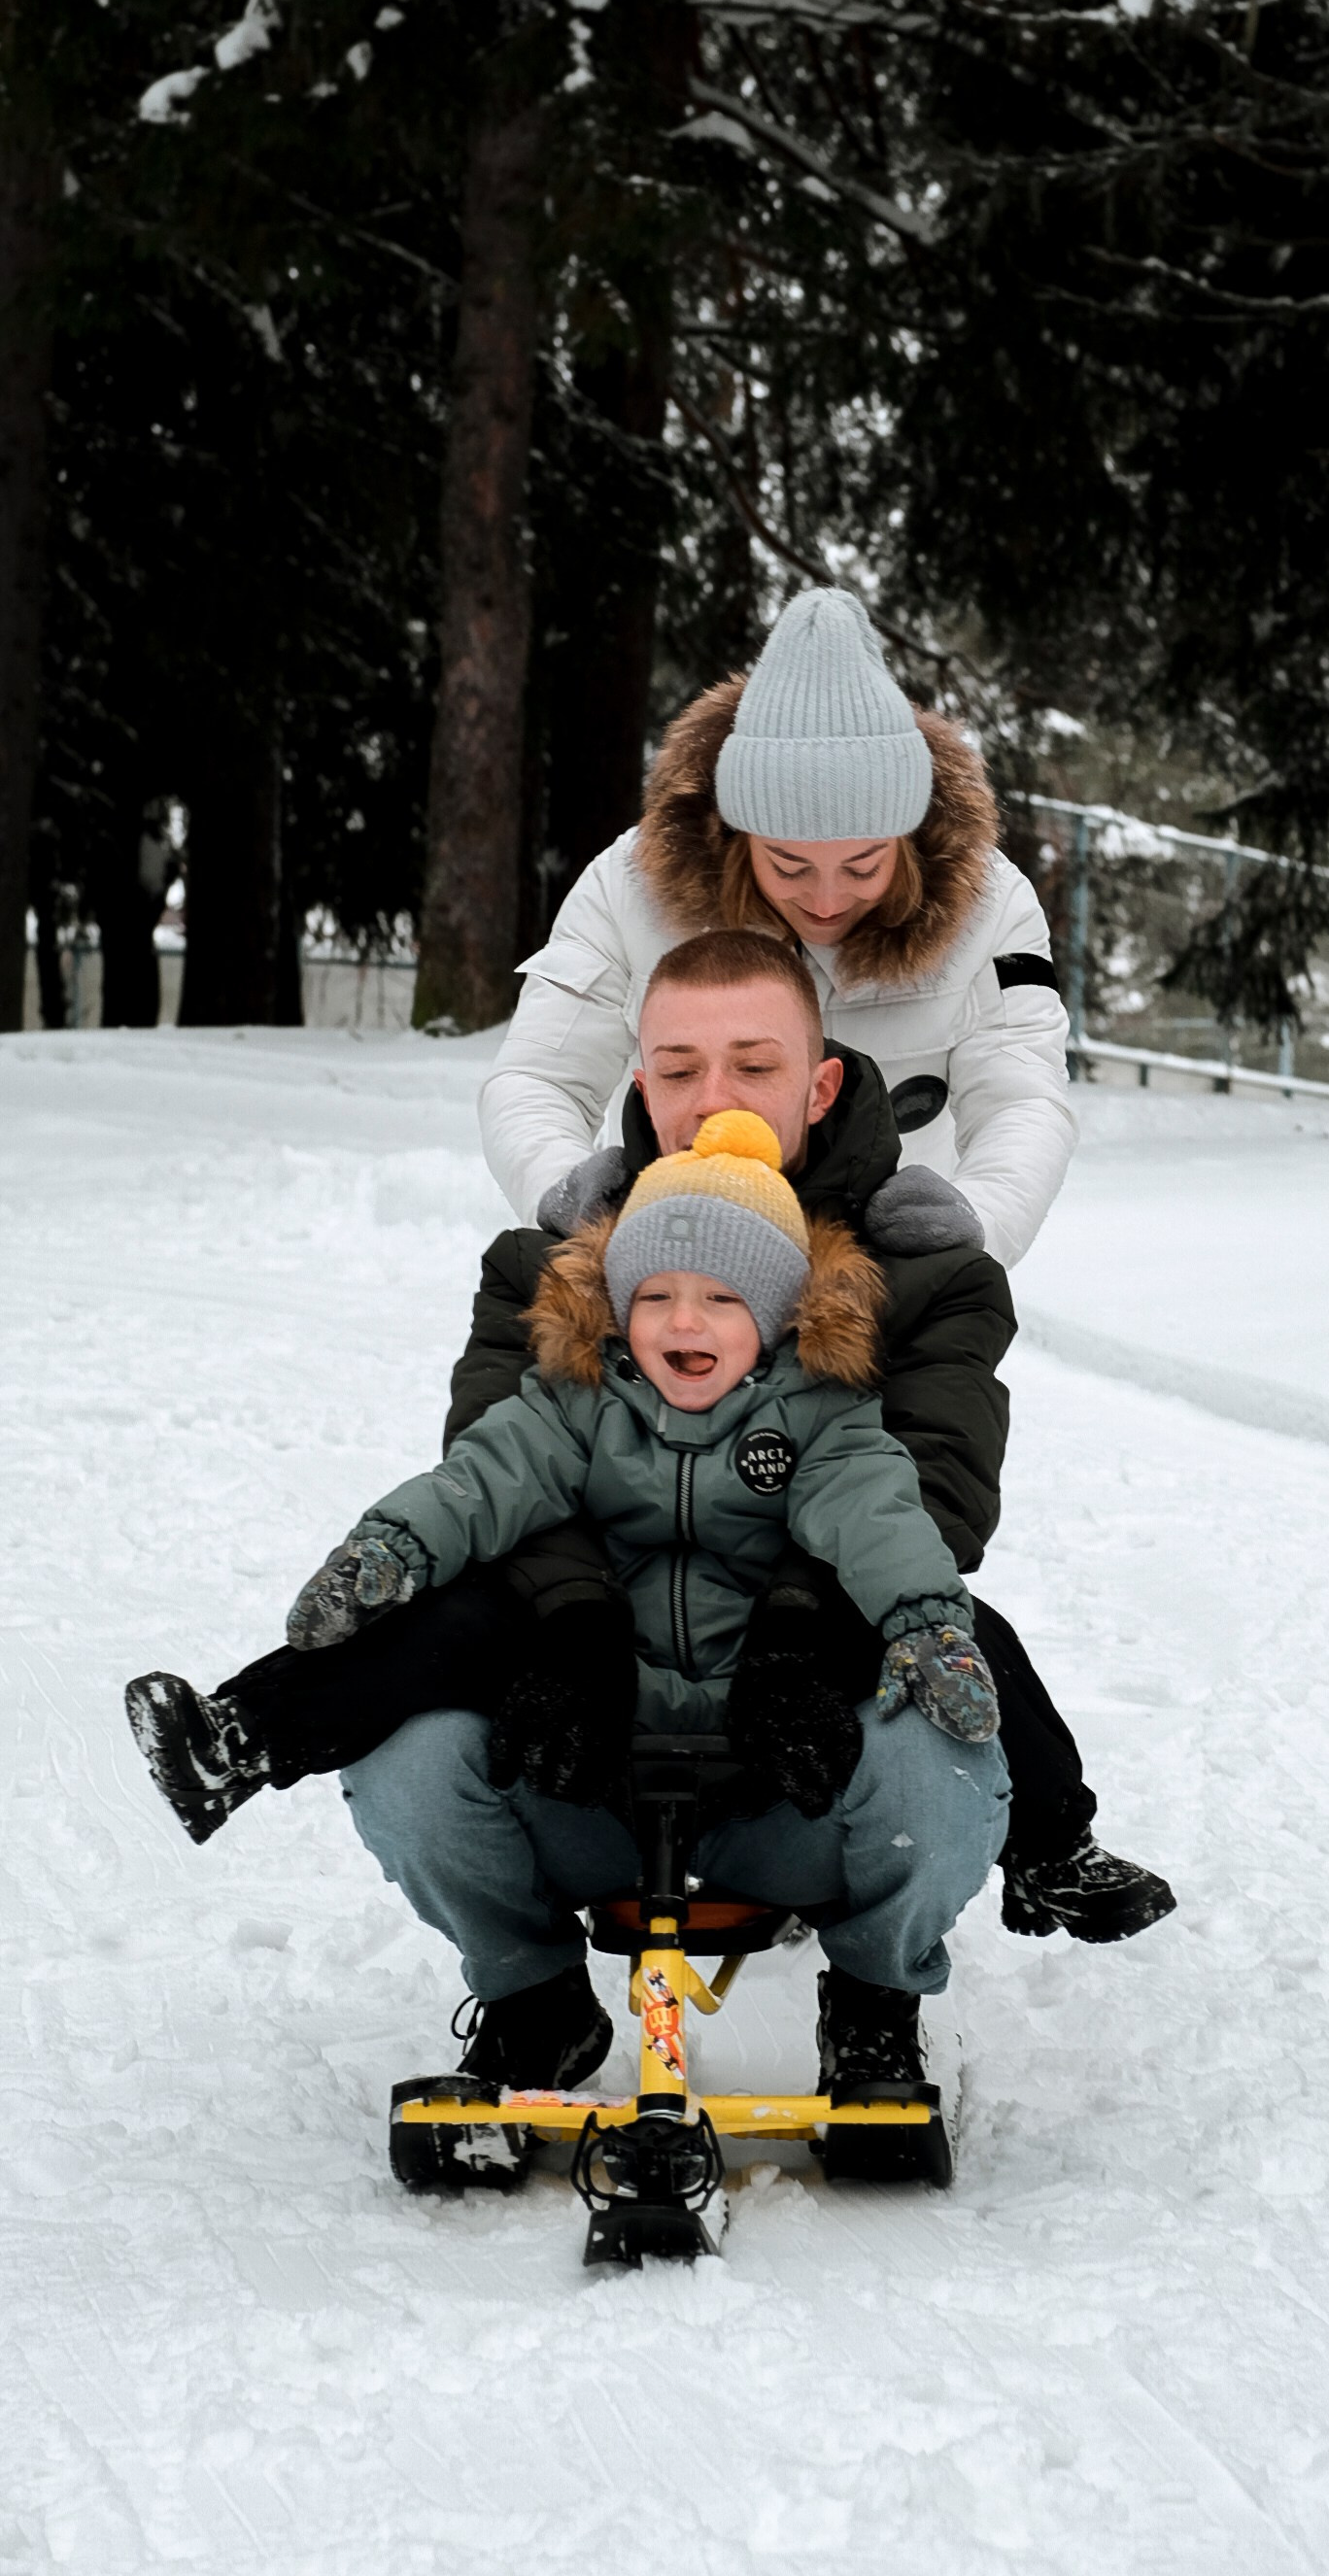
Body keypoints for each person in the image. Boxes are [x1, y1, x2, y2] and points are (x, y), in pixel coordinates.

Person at [126, 1113, 1011, 2099]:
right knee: (410, 1755)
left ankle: (876, 2008)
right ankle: (533, 2006)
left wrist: (926, 1627)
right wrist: (392, 1547)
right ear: (617, 1305)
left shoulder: (828, 1416)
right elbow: (480, 1479)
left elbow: (884, 1525)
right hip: (591, 1769)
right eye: (656, 1296)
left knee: (944, 1760)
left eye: (721, 1298)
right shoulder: (570, 1404)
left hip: (781, 1781)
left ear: (775, 1314)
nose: (683, 1323)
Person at [452, 930, 1174, 1943]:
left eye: (754, 1066)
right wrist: (571, 1621)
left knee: (961, 1641)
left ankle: (949, 1920)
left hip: (824, 1615)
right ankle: (529, 1992)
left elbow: (938, 1491)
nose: (713, 1100)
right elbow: (488, 1469)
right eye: (679, 1069)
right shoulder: (556, 1263)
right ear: (641, 1081)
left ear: (820, 1085)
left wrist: (798, 1626)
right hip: (612, 1625)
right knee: (427, 1669)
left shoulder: (924, 1268)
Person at [480, 585, 1073, 1271]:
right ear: (736, 835)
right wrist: (564, 1192)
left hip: (891, 1273)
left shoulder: (992, 907)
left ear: (908, 840)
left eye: (863, 865)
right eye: (788, 865)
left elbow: (1023, 1102)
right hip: (681, 1263)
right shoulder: (629, 887)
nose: (825, 900)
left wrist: (974, 1228)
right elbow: (537, 1078)